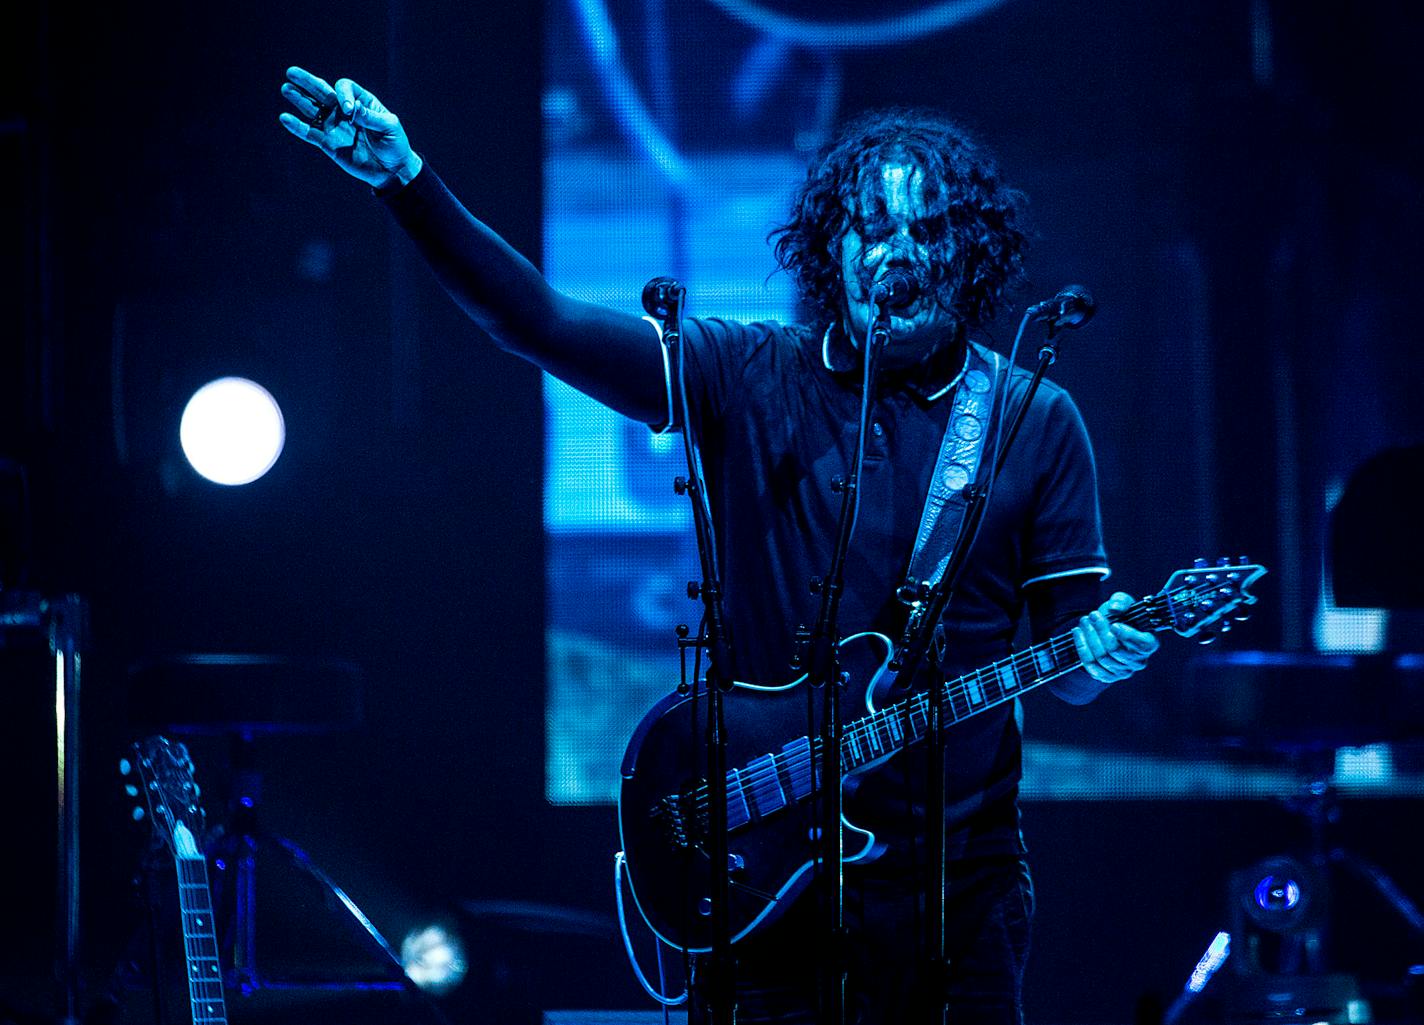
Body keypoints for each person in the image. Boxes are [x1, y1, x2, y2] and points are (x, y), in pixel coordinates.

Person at [279, 66, 1160, 1024]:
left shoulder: (1033, 417)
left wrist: (1105, 654)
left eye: (928, 229)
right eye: (871, 226)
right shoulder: (746, 371)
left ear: (970, 251)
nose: (896, 253)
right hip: (760, 872)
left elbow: (1068, 666)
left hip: (960, 892)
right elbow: (536, 322)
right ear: (833, 245)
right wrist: (405, 180)